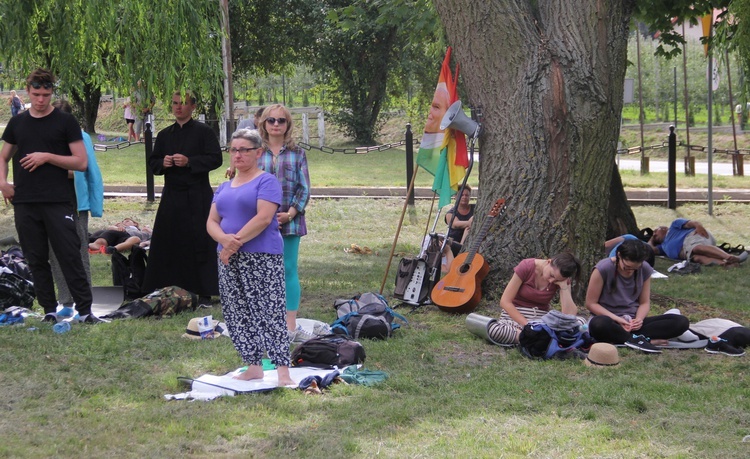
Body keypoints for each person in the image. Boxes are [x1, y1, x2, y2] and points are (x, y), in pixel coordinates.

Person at [0, 68, 102, 323]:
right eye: (36, 94)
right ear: (28, 92)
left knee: (70, 255)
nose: (41, 100)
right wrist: (3, 183)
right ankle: (49, 310)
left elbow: (80, 162)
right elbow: (3, 157)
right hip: (25, 201)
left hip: (58, 201)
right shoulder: (18, 123)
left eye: (46, 94)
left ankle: (86, 311)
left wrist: (46, 157)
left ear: (51, 92)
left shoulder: (66, 122)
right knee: (35, 258)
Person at [206, 128, 294, 387]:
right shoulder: (223, 186)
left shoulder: (266, 181)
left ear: (258, 153)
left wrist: (233, 244)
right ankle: (253, 365)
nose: (238, 155)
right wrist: (223, 240)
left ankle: (283, 371)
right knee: (237, 312)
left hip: (260, 257)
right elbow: (212, 221)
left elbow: (264, 218)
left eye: (244, 150)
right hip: (227, 257)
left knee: (269, 311)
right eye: (234, 150)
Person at [141, 90, 223, 303]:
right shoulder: (165, 135)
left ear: (192, 107)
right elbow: (153, 163)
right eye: (175, 103)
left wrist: (190, 162)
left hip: (198, 195)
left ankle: (204, 290)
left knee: (200, 241)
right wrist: (163, 164)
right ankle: (166, 286)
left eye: (183, 103)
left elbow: (216, 159)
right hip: (172, 196)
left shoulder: (204, 132)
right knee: (170, 239)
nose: (178, 107)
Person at [47, 99, 104, 318]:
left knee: (79, 249)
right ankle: (65, 300)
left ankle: (84, 299)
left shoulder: (81, 137)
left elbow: (83, 170)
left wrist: (53, 165)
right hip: (51, 201)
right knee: (55, 251)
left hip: (74, 200)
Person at [258, 104, 311, 337]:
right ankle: (265, 321)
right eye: (271, 120)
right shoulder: (255, 152)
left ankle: (290, 324)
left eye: (281, 120)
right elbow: (248, 185)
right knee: (261, 271)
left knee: (288, 269)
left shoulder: (298, 153)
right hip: (259, 222)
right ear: (264, 124)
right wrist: (264, 215)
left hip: (290, 221)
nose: (276, 124)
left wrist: (290, 213)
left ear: (288, 124)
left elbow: (304, 188)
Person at [585, 239, 690, 353]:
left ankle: (630, 339)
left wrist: (638, 319)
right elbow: (591, 303)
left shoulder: (645, 269)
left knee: (681, 322)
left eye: (635, 269)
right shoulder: (603, 268)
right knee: (599, 324)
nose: (630, 271)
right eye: (627, 267)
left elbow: (644, 302)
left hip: (632, 322)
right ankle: (640, 340)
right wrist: (617, 319)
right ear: (619, 256)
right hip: (610, 320)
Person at [487, 253, 584, 345]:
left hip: (542, 320)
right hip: (515, 318)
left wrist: (564, 286)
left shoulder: (562, 280)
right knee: (494, 329)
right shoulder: (526, 266)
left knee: (581, 322)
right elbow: (505, 301)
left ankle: (534, 340)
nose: (552, 281)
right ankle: (541, 340)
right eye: (551, 275)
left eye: (557, 280)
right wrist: (528, 325)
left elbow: (569, 316)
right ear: (548, 262)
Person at [648, 218, 748, 267]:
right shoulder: (663, 246)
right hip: (687, 254)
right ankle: (726, 264)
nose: (654, 233)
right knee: (697, 258)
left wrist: (699, 226)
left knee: (697, 248)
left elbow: (693, 223)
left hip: (692, 237)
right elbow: (649, 249)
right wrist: (652, 239)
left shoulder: (674, 226)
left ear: (664, 228)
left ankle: (730, 257)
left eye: (656, 231)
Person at [444, 185, 474, 256]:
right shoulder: (450, 213)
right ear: (455, 197)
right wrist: (470, 222)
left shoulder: (476, 208)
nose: (464, 197)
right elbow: (455, 224)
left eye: (467, 195)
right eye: (461, 195)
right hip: (454, 244)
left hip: (472, 244)